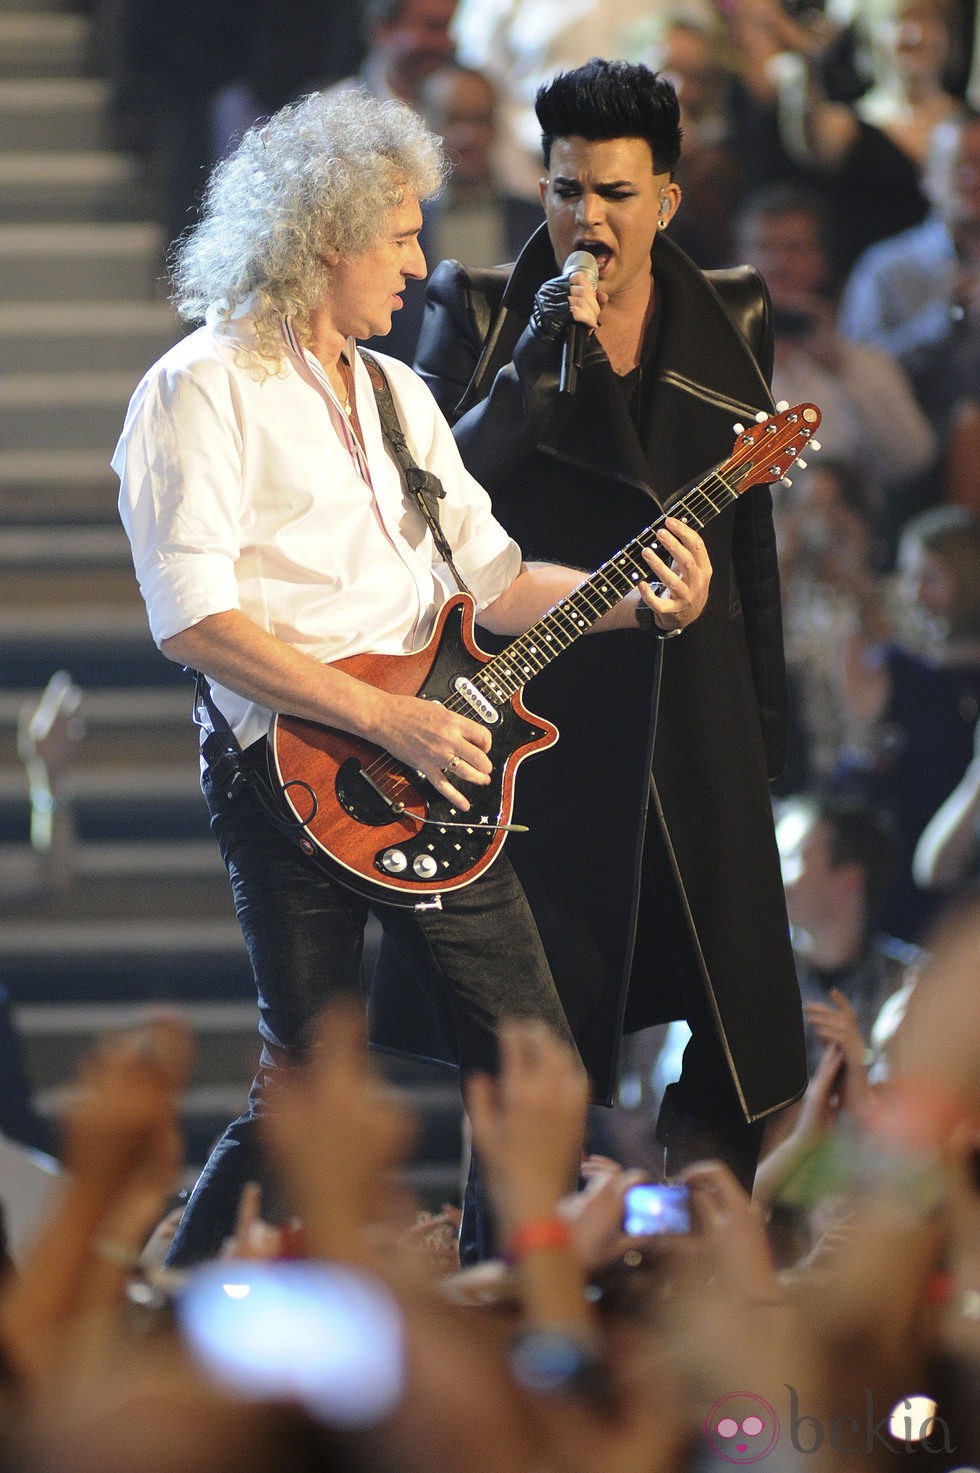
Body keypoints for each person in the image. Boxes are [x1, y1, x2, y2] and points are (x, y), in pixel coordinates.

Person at [111, 89, 710, 1266]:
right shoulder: (200, 386)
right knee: (312, 1084)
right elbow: (191, 620)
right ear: (323, 236)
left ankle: (499, 1303)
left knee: (532, 1055)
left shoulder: (393, 395)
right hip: (292, 770)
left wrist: (635, 597)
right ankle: (171, 1318)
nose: (419, 260)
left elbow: (488, 582)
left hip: (426, 757)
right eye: (397, 233)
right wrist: (385, 717)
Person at [402, 58, 809, 1196]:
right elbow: (432, 508)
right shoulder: (475, 306)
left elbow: (753, 546)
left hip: (696, 718)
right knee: (538, 1071)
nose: (587, 219)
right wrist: (538, 358)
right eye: (567, 189)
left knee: (739, 1050)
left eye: (615, 194)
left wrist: (762, 742)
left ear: (665, 199)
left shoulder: (729, 313)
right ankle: (533, 1307)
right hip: (546, 723)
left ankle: (694, 1286)